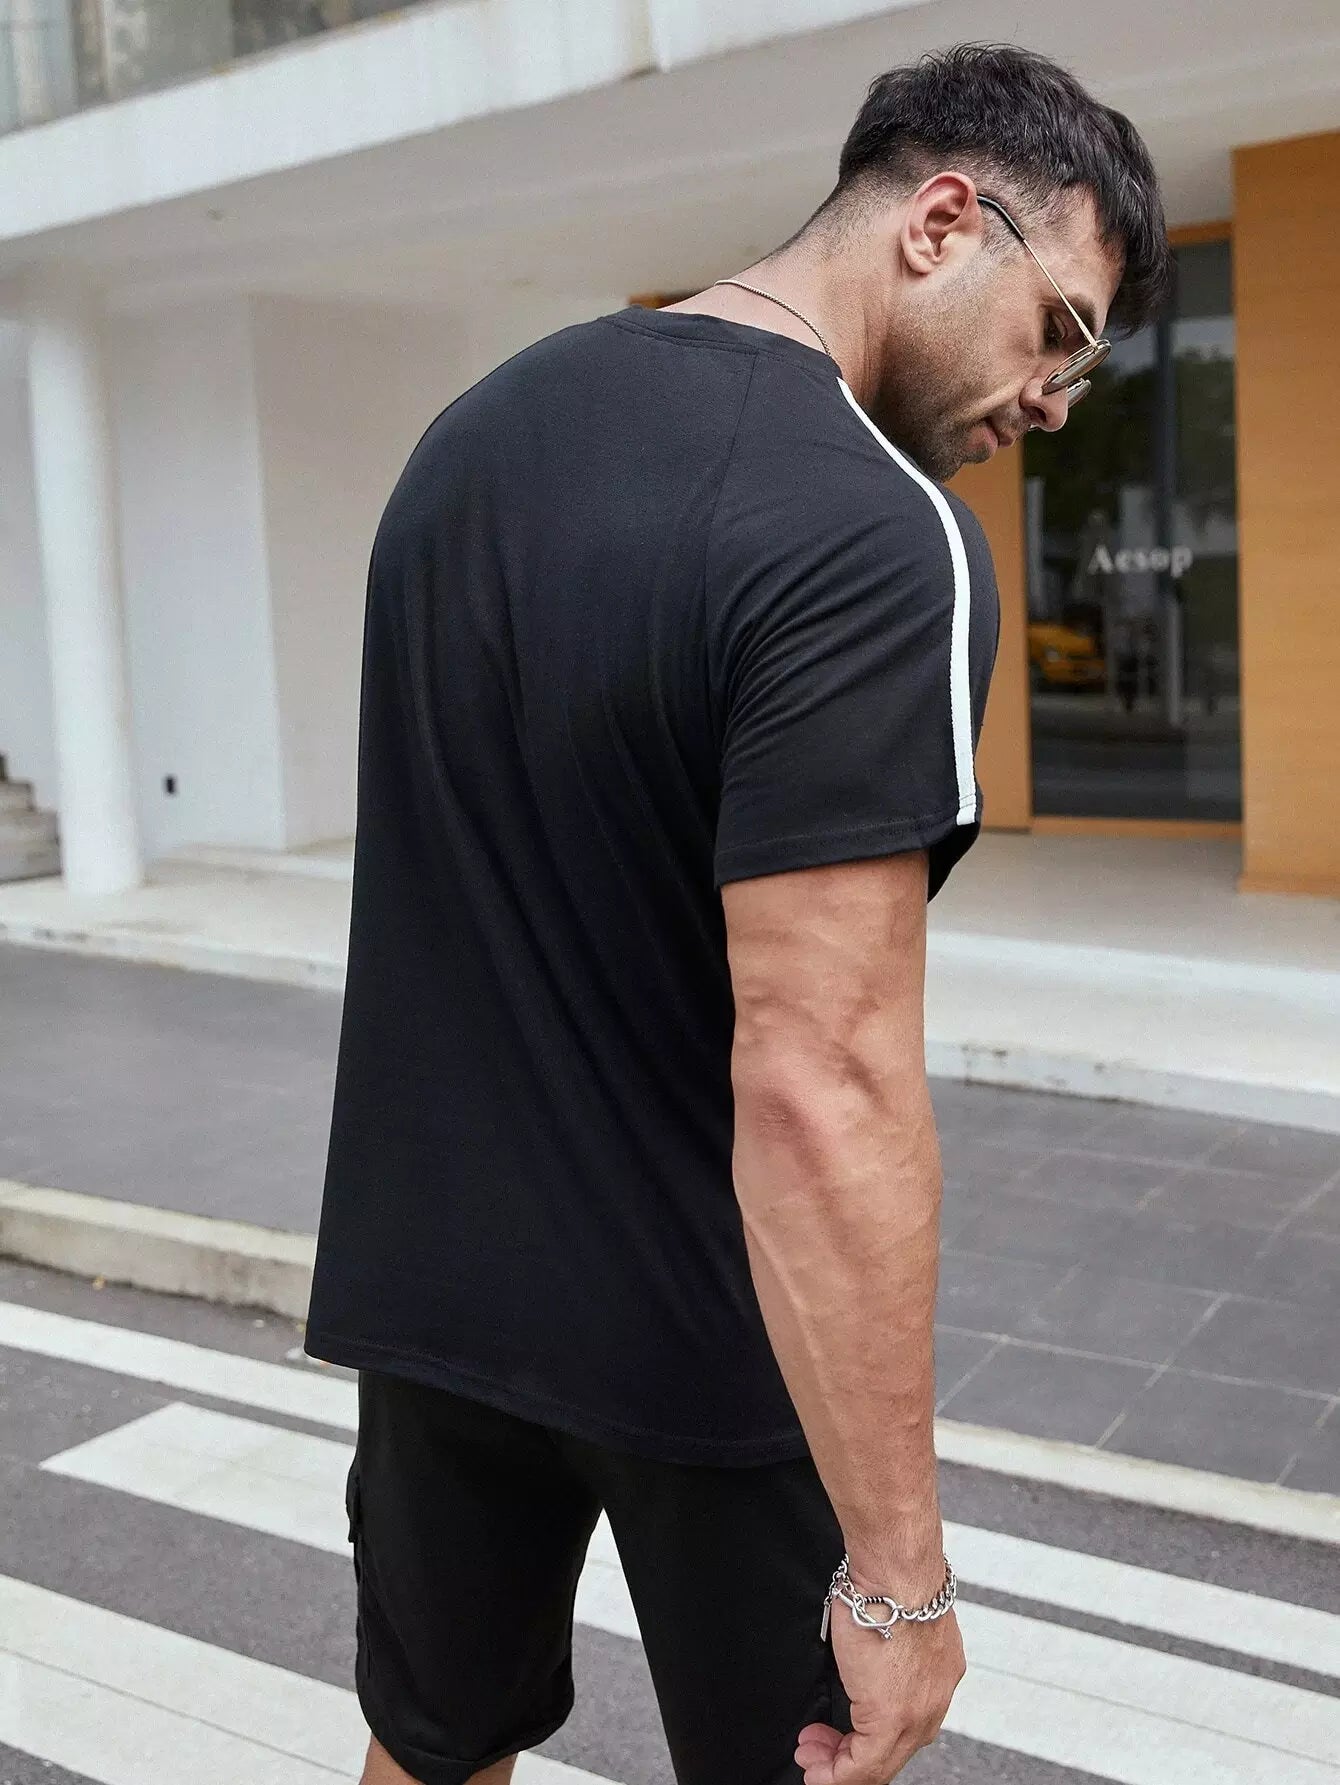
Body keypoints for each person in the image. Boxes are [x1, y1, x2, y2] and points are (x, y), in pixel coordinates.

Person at [305, 41, 1171, 1785]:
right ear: (944, 220)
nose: (1056, 400)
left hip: (432, 1289)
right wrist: (905, 1577)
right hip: (707, 1326)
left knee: (425, 1745)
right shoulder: (875, 531)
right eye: (1063, 329)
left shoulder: (473, 437)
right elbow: (823, 1080)